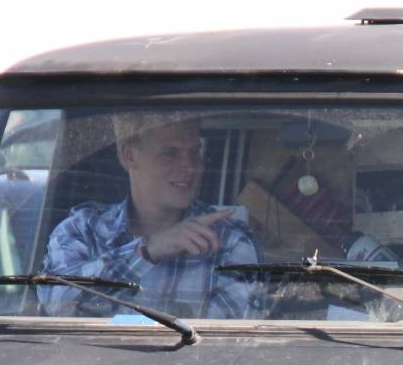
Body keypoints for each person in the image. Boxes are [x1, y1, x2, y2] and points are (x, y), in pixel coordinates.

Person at [40, 113, 262, 317]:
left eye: (194, 152)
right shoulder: (82, 230)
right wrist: (146, 252)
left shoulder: (228, 240)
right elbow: (57, 305)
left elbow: (226, 343)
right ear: (129, 156)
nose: (189, 167)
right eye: (170, 153)